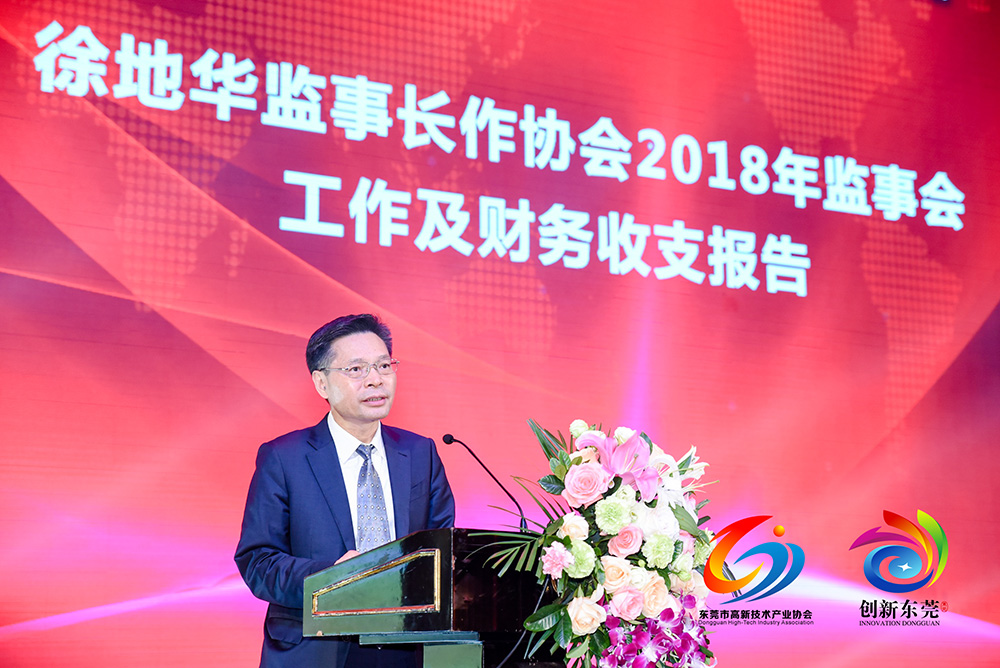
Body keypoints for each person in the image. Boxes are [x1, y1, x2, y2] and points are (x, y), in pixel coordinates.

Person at [235, 313, 456, 668]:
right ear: (321, 383)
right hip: (315, 650)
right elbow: (258, 562)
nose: (375, 379)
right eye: (356, 369)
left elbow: (444, 551)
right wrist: (332, 579)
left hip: (405, 649)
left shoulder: (420, 453)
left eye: (384, 365)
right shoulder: (284, 458)